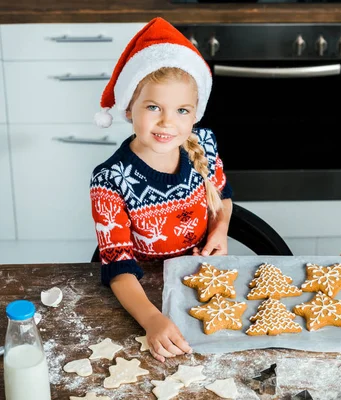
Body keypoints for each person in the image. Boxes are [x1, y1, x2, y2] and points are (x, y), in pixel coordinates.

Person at [89, 17, 233, 362]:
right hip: (139, 293)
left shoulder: (205, 145)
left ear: (195, 114)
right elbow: (119, 265)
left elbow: (222, 198)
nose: (168, 122)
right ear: (128, 108)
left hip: (196, 276)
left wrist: (221, 230)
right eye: (154, 107)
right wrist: (152, 319)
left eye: (181, 110)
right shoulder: (109, 180)